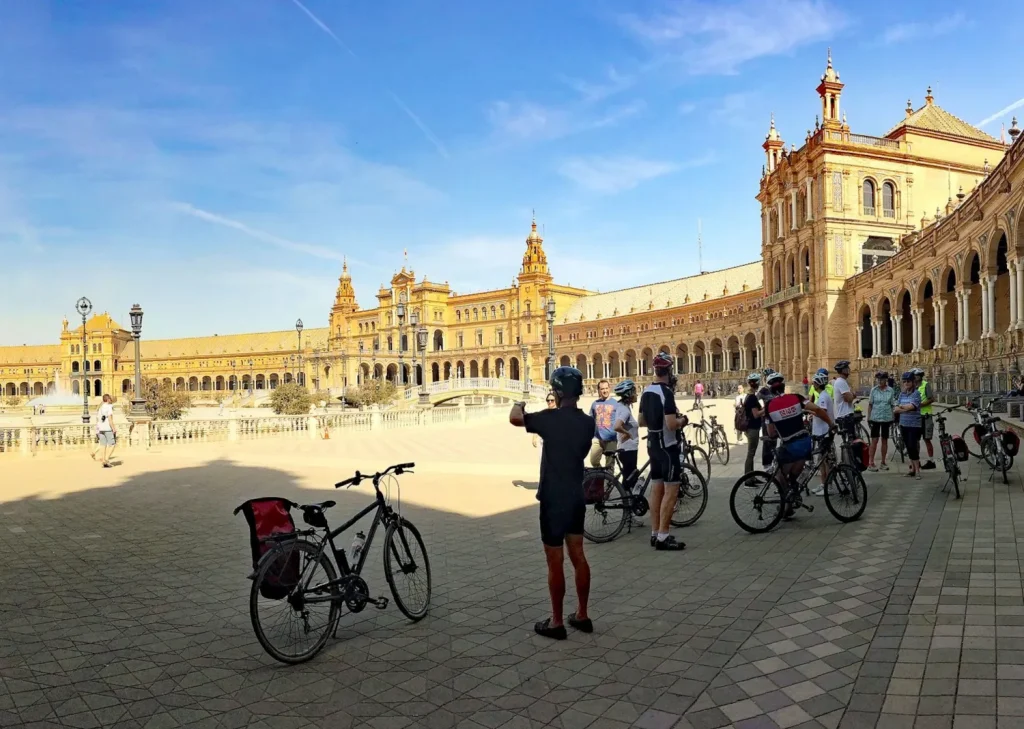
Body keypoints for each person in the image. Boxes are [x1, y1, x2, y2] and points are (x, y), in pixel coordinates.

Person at [510, 367, 594, 640]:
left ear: (557, 393)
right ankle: (582, 614)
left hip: (552, 498)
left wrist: (519, 402)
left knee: (555, 561)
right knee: (579, 556)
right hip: (575, 496)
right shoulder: (587, 422)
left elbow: (515, 419)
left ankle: (557, 621)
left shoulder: (550, 419)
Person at [764, 372, 833, 517]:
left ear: (770, 389)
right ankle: (794, 494)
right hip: (804, 443)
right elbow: (818, 410)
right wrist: (831, 424)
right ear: (784, 387)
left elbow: (771, 433)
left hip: (789, 446)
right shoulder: (797, 398)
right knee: (793, 477)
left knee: (780, 476)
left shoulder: (769, 405)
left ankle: (786, 506)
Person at [639, 353, 686, 551]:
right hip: (667, 447)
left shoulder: (646, 391)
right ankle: (664, 536)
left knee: (656, 488)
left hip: (652, 444)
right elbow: (671, 423)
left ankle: (655, 532)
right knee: (672, 489)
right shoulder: (666, 393)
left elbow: (642, 421)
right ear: (668, 371)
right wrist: (683, 420)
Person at [809, 370, 835, 496]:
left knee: (825, 460)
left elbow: (822, 412)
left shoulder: (824, 397)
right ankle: (823, 483)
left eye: (814, 383)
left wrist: (809, 412)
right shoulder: (822, 395)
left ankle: (828, 486)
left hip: (824, 432)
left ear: (818, 384)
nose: (812, 384)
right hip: (821, 432)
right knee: (821, 460)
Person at [612, 380, 640, 494]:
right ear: (628, 394)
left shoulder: (622, 406)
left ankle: (627, 504)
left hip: (626, 449)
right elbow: (617, 426)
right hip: (628, 450)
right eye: (634, 392)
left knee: (628, 477)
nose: (636, 394)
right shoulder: (625, 410)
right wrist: (628, 434)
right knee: (630, 480)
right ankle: (627, 505)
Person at [895, 372, 923, 480]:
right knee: (907, 447)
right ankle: (912, 469)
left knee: (913, 446)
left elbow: (912, 406)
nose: (906, 383)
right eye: (905, 381)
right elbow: (896, 409)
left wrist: (903, 407)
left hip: (914, 425)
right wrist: (904, 408)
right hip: (904, 424)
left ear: (913, 382)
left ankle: (917, 470)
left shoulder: (916, 394)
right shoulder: (902, 394)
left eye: (908, 381)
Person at [866, 371, 896, 471]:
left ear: (886, 380)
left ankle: (883, 462)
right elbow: (870, 404)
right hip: (875, 418)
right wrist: (868, 417)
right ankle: (871, 462)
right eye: (878, 379)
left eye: (881, 379)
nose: (879, 381)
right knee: (874, 440)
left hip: (886, 418)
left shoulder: (890, 391)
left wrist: (893, 418)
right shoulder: (873, 390)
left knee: (884, 440)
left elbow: (892, 405)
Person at [588, 380, 618, 469]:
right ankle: (602, 475)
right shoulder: (595, 404)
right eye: (602, 389)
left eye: (606, 388)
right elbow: (591, 420)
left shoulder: (616, 404)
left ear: (609, 388)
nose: (604, 391)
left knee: (609, 465)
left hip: (611, 438)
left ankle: (608, 482)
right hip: (598, 438)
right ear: (599, 390)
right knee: (593, 461)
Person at [913, 367, 937, 470]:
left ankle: (931, 461)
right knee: (916, 440)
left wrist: (920, 405)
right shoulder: (913, 386)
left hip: (926, 415)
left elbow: (932, 399)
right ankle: (916, 461)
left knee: (927, 439)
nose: (915, 377)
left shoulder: (925, 385)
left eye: (916, 376)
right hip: (916, 416)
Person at [741, 373, 764, 473]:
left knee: (752, 453)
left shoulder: (749, 396)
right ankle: (748, 479)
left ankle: (751, 476)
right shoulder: (752, 398)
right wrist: (766, 409)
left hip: (751, 427)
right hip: (752, 428)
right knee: (751, 454)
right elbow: (756, 414)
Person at [90, 393, 117, 467]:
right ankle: (106, 460)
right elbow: (110, 419)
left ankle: (103, 460)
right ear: (108, 400)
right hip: (107, 428)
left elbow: (98, 418)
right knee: (112, 445)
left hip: (100, 428)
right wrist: (114, 429)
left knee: (103, 445)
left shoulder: (100, 408)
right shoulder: (109, 407)